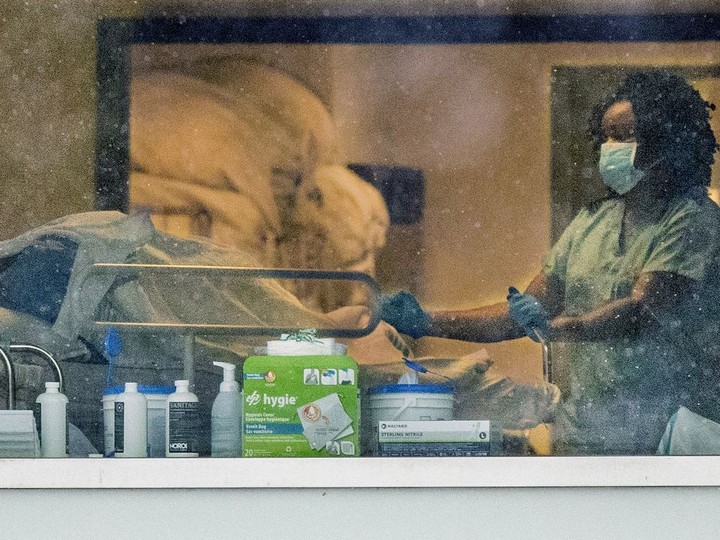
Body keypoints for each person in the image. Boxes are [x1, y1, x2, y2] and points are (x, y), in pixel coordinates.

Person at [381, 70, 720, 455]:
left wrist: (560, 329)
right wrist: (428, 321)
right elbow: (526, 312)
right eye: (607, 136)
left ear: (665, 144)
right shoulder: (593, 222)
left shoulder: (692, 218)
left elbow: (643, 311)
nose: (610, 148)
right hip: (587, 434)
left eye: (625, 137)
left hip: (672, 442)